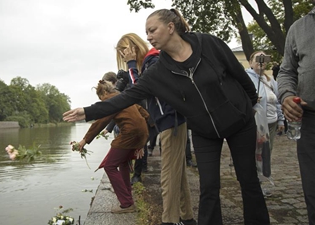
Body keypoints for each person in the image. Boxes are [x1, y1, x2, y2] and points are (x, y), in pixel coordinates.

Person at [63, 8, 270, 225]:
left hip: (239, 123)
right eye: (147, 32)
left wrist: (250, 103)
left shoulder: (208, 43)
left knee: (248, 181)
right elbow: (126, 97)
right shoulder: (158, 70)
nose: (149, 36)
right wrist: (87, 111)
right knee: (209, 187)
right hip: (204, 131)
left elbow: (237, 72)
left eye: (152, 30)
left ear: (170, 27)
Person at [116, 32, 196, 225]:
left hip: (172, 122)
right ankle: (187, 217)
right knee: (179, 175)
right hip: (170, 122)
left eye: (124, 53)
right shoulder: (151, 62)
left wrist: (132, 65)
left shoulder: (153, 61)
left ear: (132, 48)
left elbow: (138, 91)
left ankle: (168, 221)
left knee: (168, 176)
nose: (124, 58)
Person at [76, 80, 149, 214]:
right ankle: (127, 194)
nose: (102, 101)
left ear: (104, 92)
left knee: (110, 166)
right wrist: (142, 141)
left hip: (129, 134)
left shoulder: (112, 101)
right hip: (141, 132)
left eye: (101, 98)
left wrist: (84, 141)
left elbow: (100, 122)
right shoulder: (124, 97)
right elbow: (144, 113)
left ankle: (127, 204)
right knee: (123, 163)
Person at [277, 3, 315, 224]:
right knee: (312, 188)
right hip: (310, 120)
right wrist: (287, 95)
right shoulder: (298, 28)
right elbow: (287, 71)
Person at [246, 51, 285, 196]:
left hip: (272, 123)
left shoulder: (270, 80)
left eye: (264, 59)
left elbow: (278, 101)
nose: (261, 62)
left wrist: (281, 119)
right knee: (257, 154)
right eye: (257, 59)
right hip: (257, 124)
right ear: (250, 62)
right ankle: (255, 186)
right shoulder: (247, 78)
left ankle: (262, 183)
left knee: (266, 154)